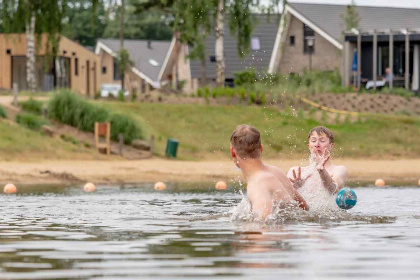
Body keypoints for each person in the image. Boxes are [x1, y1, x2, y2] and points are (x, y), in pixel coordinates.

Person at [230, 124, 309, 219]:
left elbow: (264, 226)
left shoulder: (257, 185)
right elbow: (305, 208)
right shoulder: (275, 171)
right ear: (261, 148)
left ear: (233, 152)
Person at [287, 126, 347, 209]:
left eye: (322, 141)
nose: (317, 144)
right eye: (313, 141)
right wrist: (295, 188)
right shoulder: (296, 171)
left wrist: (321, 170)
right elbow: (284, 198)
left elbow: (333, 189)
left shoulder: (339, 169)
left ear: (331, 146)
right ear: (309, 146)